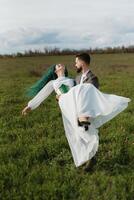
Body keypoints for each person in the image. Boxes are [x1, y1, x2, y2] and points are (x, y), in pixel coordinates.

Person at [22, 63, 131, 169]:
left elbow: (79, 90)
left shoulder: (72, 80)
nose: (61, 65)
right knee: (74, 131)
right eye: (58, 66)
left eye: (61, 65)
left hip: (75, 102)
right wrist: (30, 106)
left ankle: (91, 155)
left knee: (81, 127)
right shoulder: (53, 82)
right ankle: (87, 156)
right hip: (65, 102)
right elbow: (42, 94)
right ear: (55, 71)